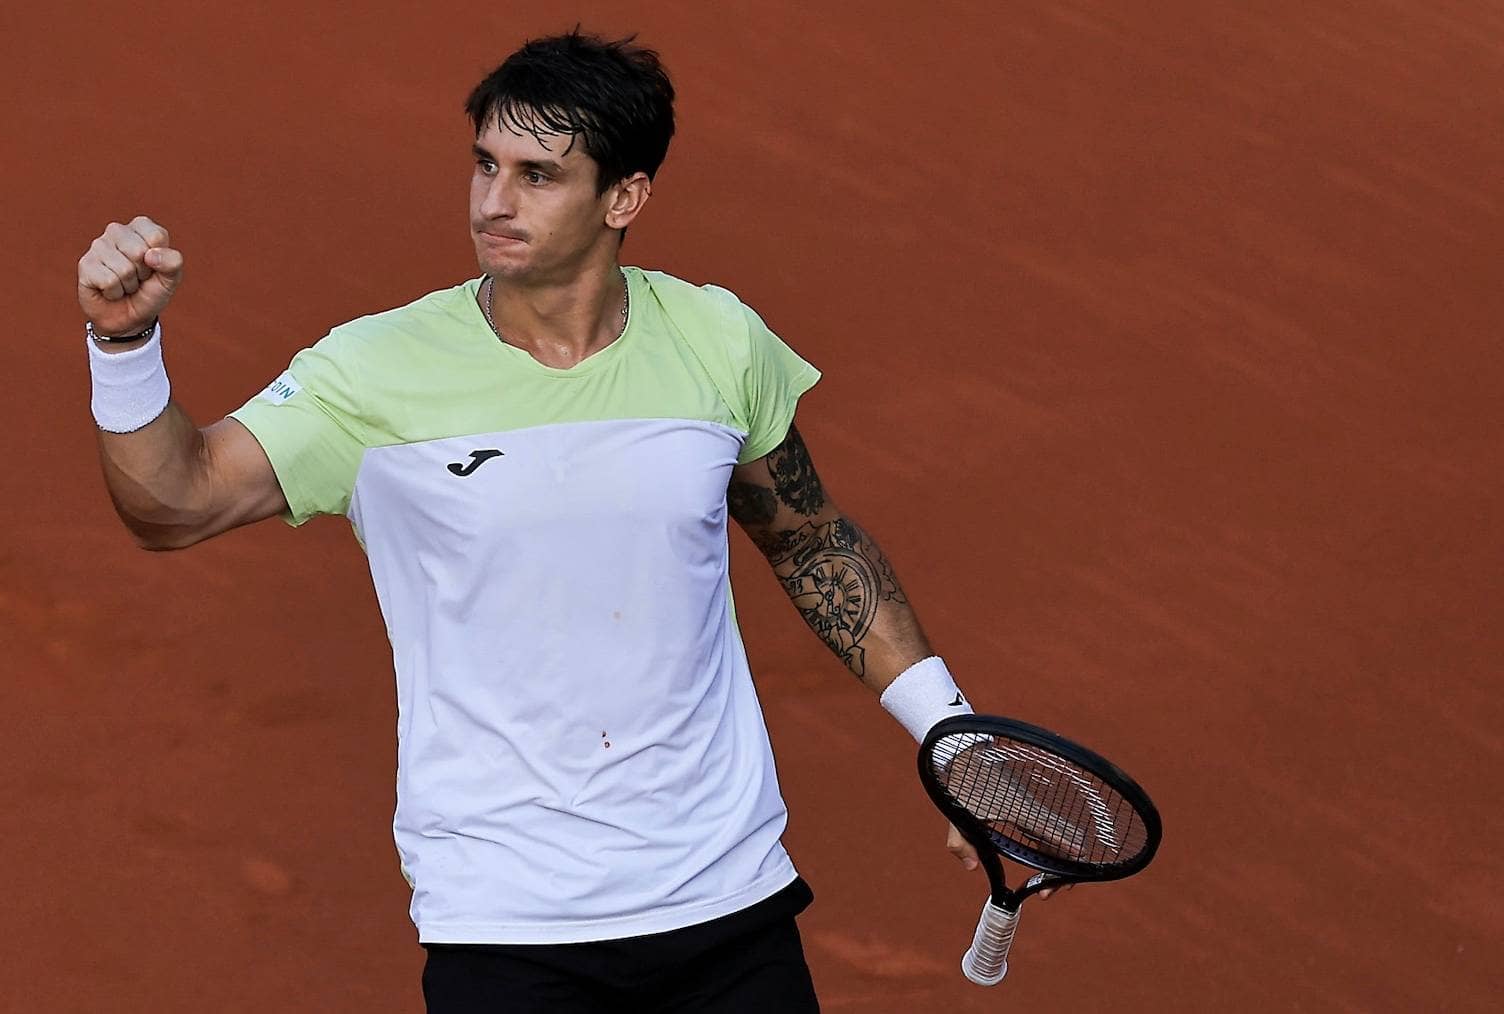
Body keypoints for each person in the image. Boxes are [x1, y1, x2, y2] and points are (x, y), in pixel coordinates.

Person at [76, 30, 992, 1013]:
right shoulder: (375, 371)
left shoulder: (719, 343)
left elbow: (810, 540)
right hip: (508, 927)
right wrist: (124, 343)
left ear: (624, 198)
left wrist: (952, 735)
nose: (492, 202)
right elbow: (175, 504)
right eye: (485, 165)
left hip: (726, 898)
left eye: (537, 175)